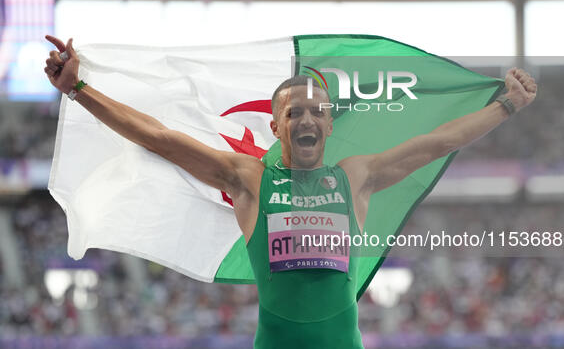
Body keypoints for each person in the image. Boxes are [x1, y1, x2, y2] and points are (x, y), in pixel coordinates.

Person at [44, 35, 537, 348]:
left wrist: (507, 106)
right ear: (277, 126)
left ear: (328, 124)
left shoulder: (354, 177)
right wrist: (77, 88)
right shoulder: (250, 180)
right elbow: (159, 137)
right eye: (294, 112)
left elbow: (436, 142)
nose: (306, 117)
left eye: (316, 111)